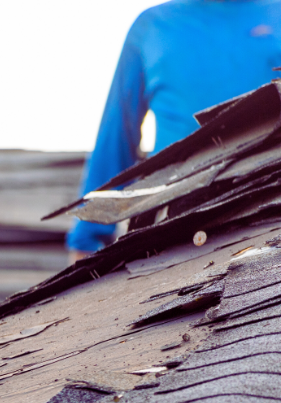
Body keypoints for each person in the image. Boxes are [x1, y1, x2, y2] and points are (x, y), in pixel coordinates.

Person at [69, 0, 281, 262]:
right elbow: (116, 141)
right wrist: (87, 236)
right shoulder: (152, 27)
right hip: (173, 233)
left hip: (269, 226)